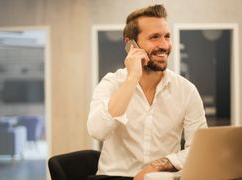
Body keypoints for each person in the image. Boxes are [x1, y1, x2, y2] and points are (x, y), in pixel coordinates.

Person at [87, 4, 207, 180]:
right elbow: (98, 131)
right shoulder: (111, 83)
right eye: (154, 37)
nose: (164, 45)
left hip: (160, 177)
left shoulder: (186, 90)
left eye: (167, 36)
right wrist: (132, 78)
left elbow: (198, 148)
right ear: (130, 45)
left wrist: (157, 166)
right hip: (114, 177)